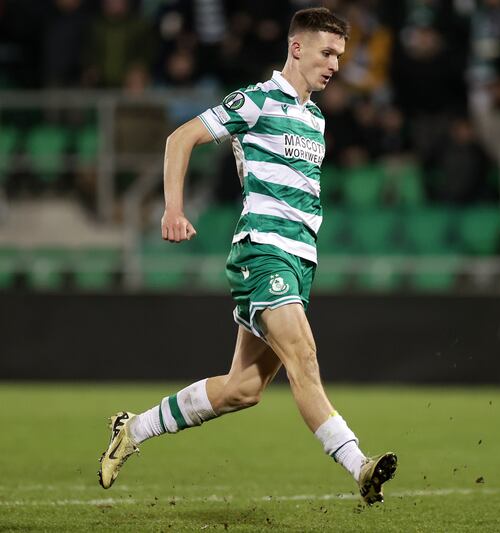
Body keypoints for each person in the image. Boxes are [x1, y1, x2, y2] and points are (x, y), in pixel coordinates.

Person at [97, 7, 397, 505]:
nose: (336, 65)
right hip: (263, 252)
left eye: (340, 56)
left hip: (299, 261)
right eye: (328, 52)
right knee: (304, 356)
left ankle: (134, 428)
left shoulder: (316, 118)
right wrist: (173, 209)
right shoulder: (255, 101)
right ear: (296, 47)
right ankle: (358, 465)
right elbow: (181, 137)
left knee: (243, 389)